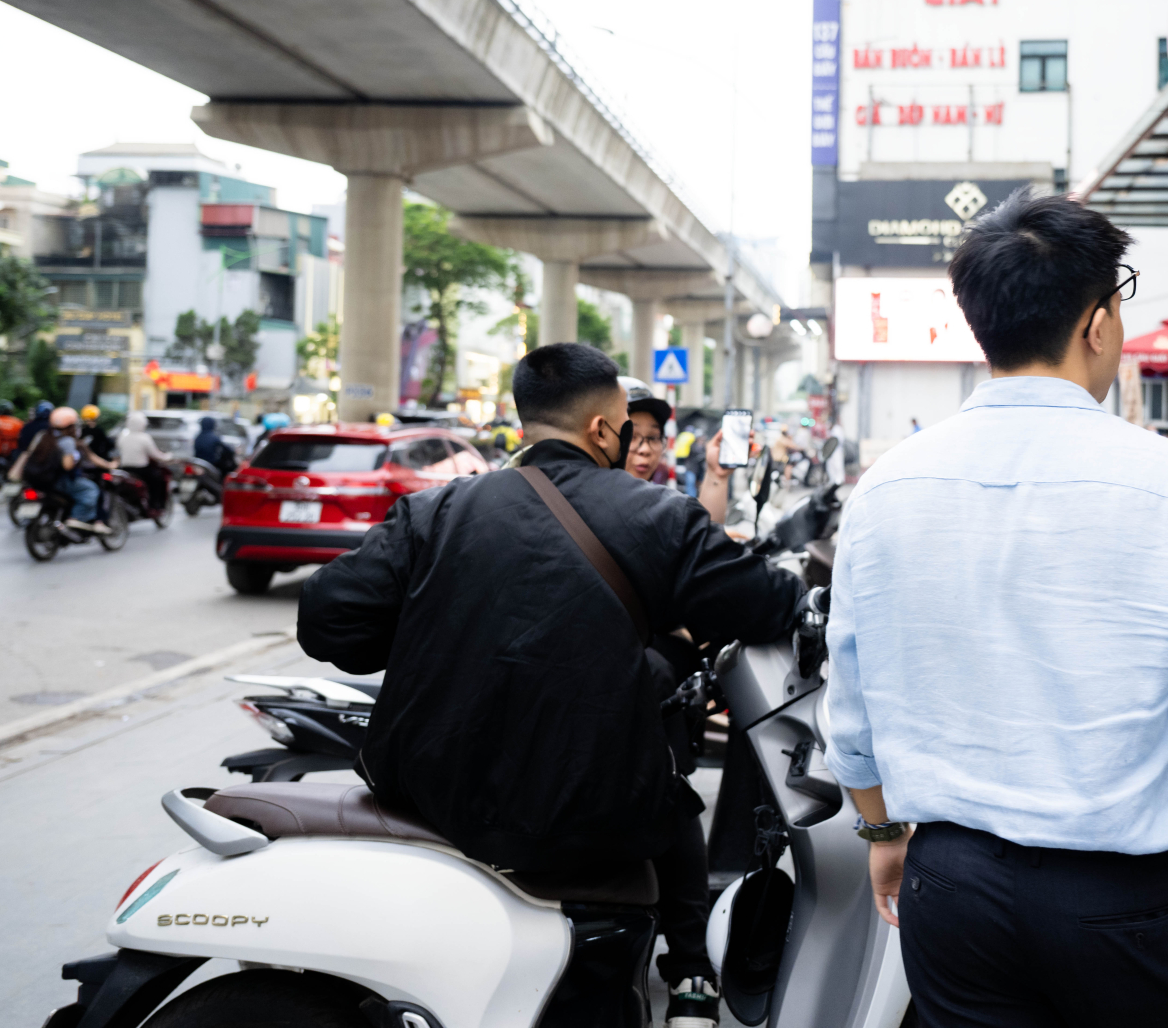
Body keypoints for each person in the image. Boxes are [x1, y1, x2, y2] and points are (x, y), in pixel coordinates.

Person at [825, 190, 1168, 1028]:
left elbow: (855, 713)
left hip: (951, 891)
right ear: (1096, 324)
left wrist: (884, 841)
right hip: (1128, 904)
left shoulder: (884, 491)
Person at [297, 343, 803, 1028]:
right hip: (589, 821)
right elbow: (769, 604)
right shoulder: (657, 516)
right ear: (603, 430)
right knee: (671, 813)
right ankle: (687, 977)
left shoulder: (434, 512)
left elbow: (328, 624)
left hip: (431, 800)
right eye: (630, 426)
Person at [25, 406, 108, 534]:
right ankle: (77, 517)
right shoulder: (68, 442)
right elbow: (67, 466)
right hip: (60, 481)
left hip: (40, 480)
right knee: (91, 489)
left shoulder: (43, 436)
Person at [116, 410, 175, 518]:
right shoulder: (144, 438)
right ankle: (154, 507)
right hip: (141, 469)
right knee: (157, 481)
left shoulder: (122, 436)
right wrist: (167, 457)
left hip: (125, 469)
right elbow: (156, 455)